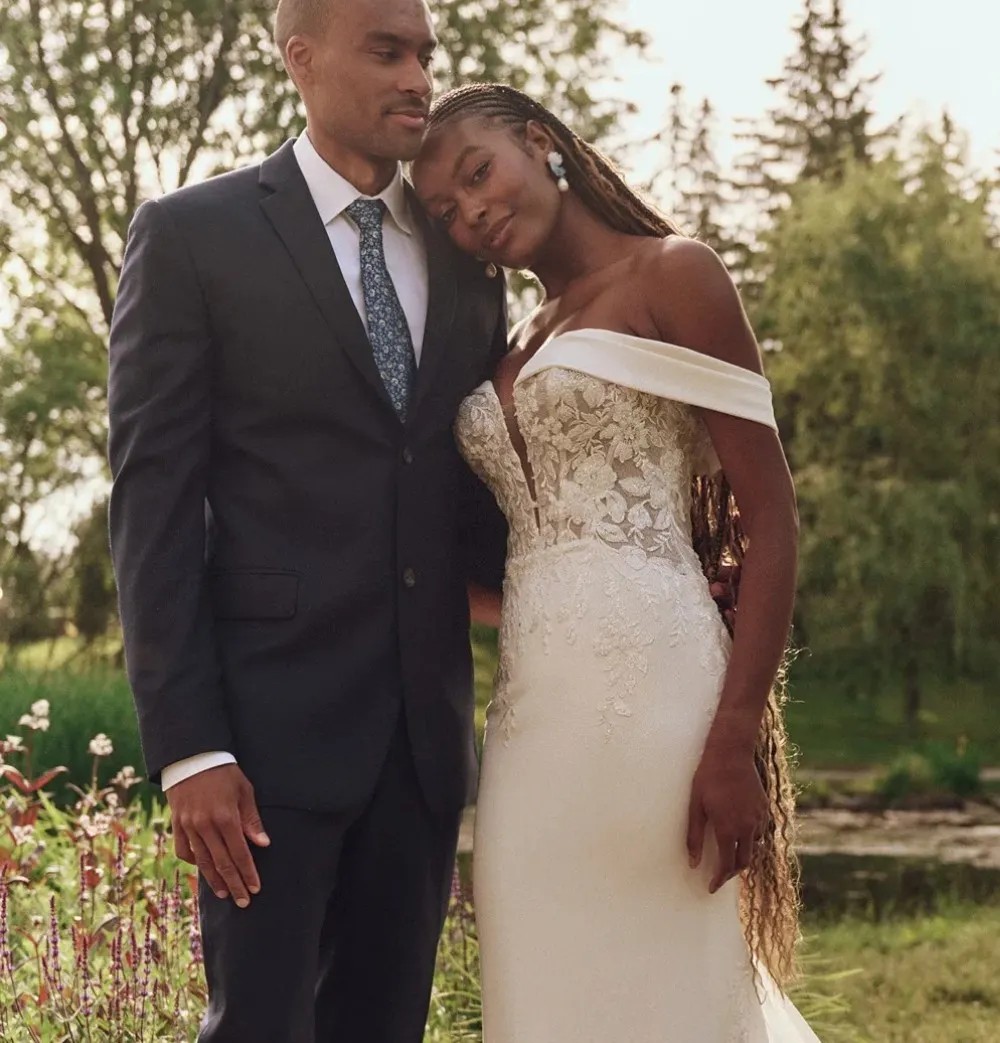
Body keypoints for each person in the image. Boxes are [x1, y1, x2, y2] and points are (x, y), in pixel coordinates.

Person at [107, 2, 509, 1040]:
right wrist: (189, 746)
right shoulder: (194, 234)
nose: (418, 75)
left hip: (423, 742)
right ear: (301, 58)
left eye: (424, 52)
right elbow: (152, 501)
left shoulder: (468, 255)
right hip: (262, 744)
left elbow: (469, 497)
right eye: (387, 51)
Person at [412, 82, 821, 1042]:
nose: (471, 212)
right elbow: (510, 565)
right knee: (543, 991)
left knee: (669, 986)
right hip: (528, 726)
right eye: (444, 211)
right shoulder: (508, 338)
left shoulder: (674, 273)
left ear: (540, 142)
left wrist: (733, 738)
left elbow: (774, 519)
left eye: (478, 173)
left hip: (668, 712)